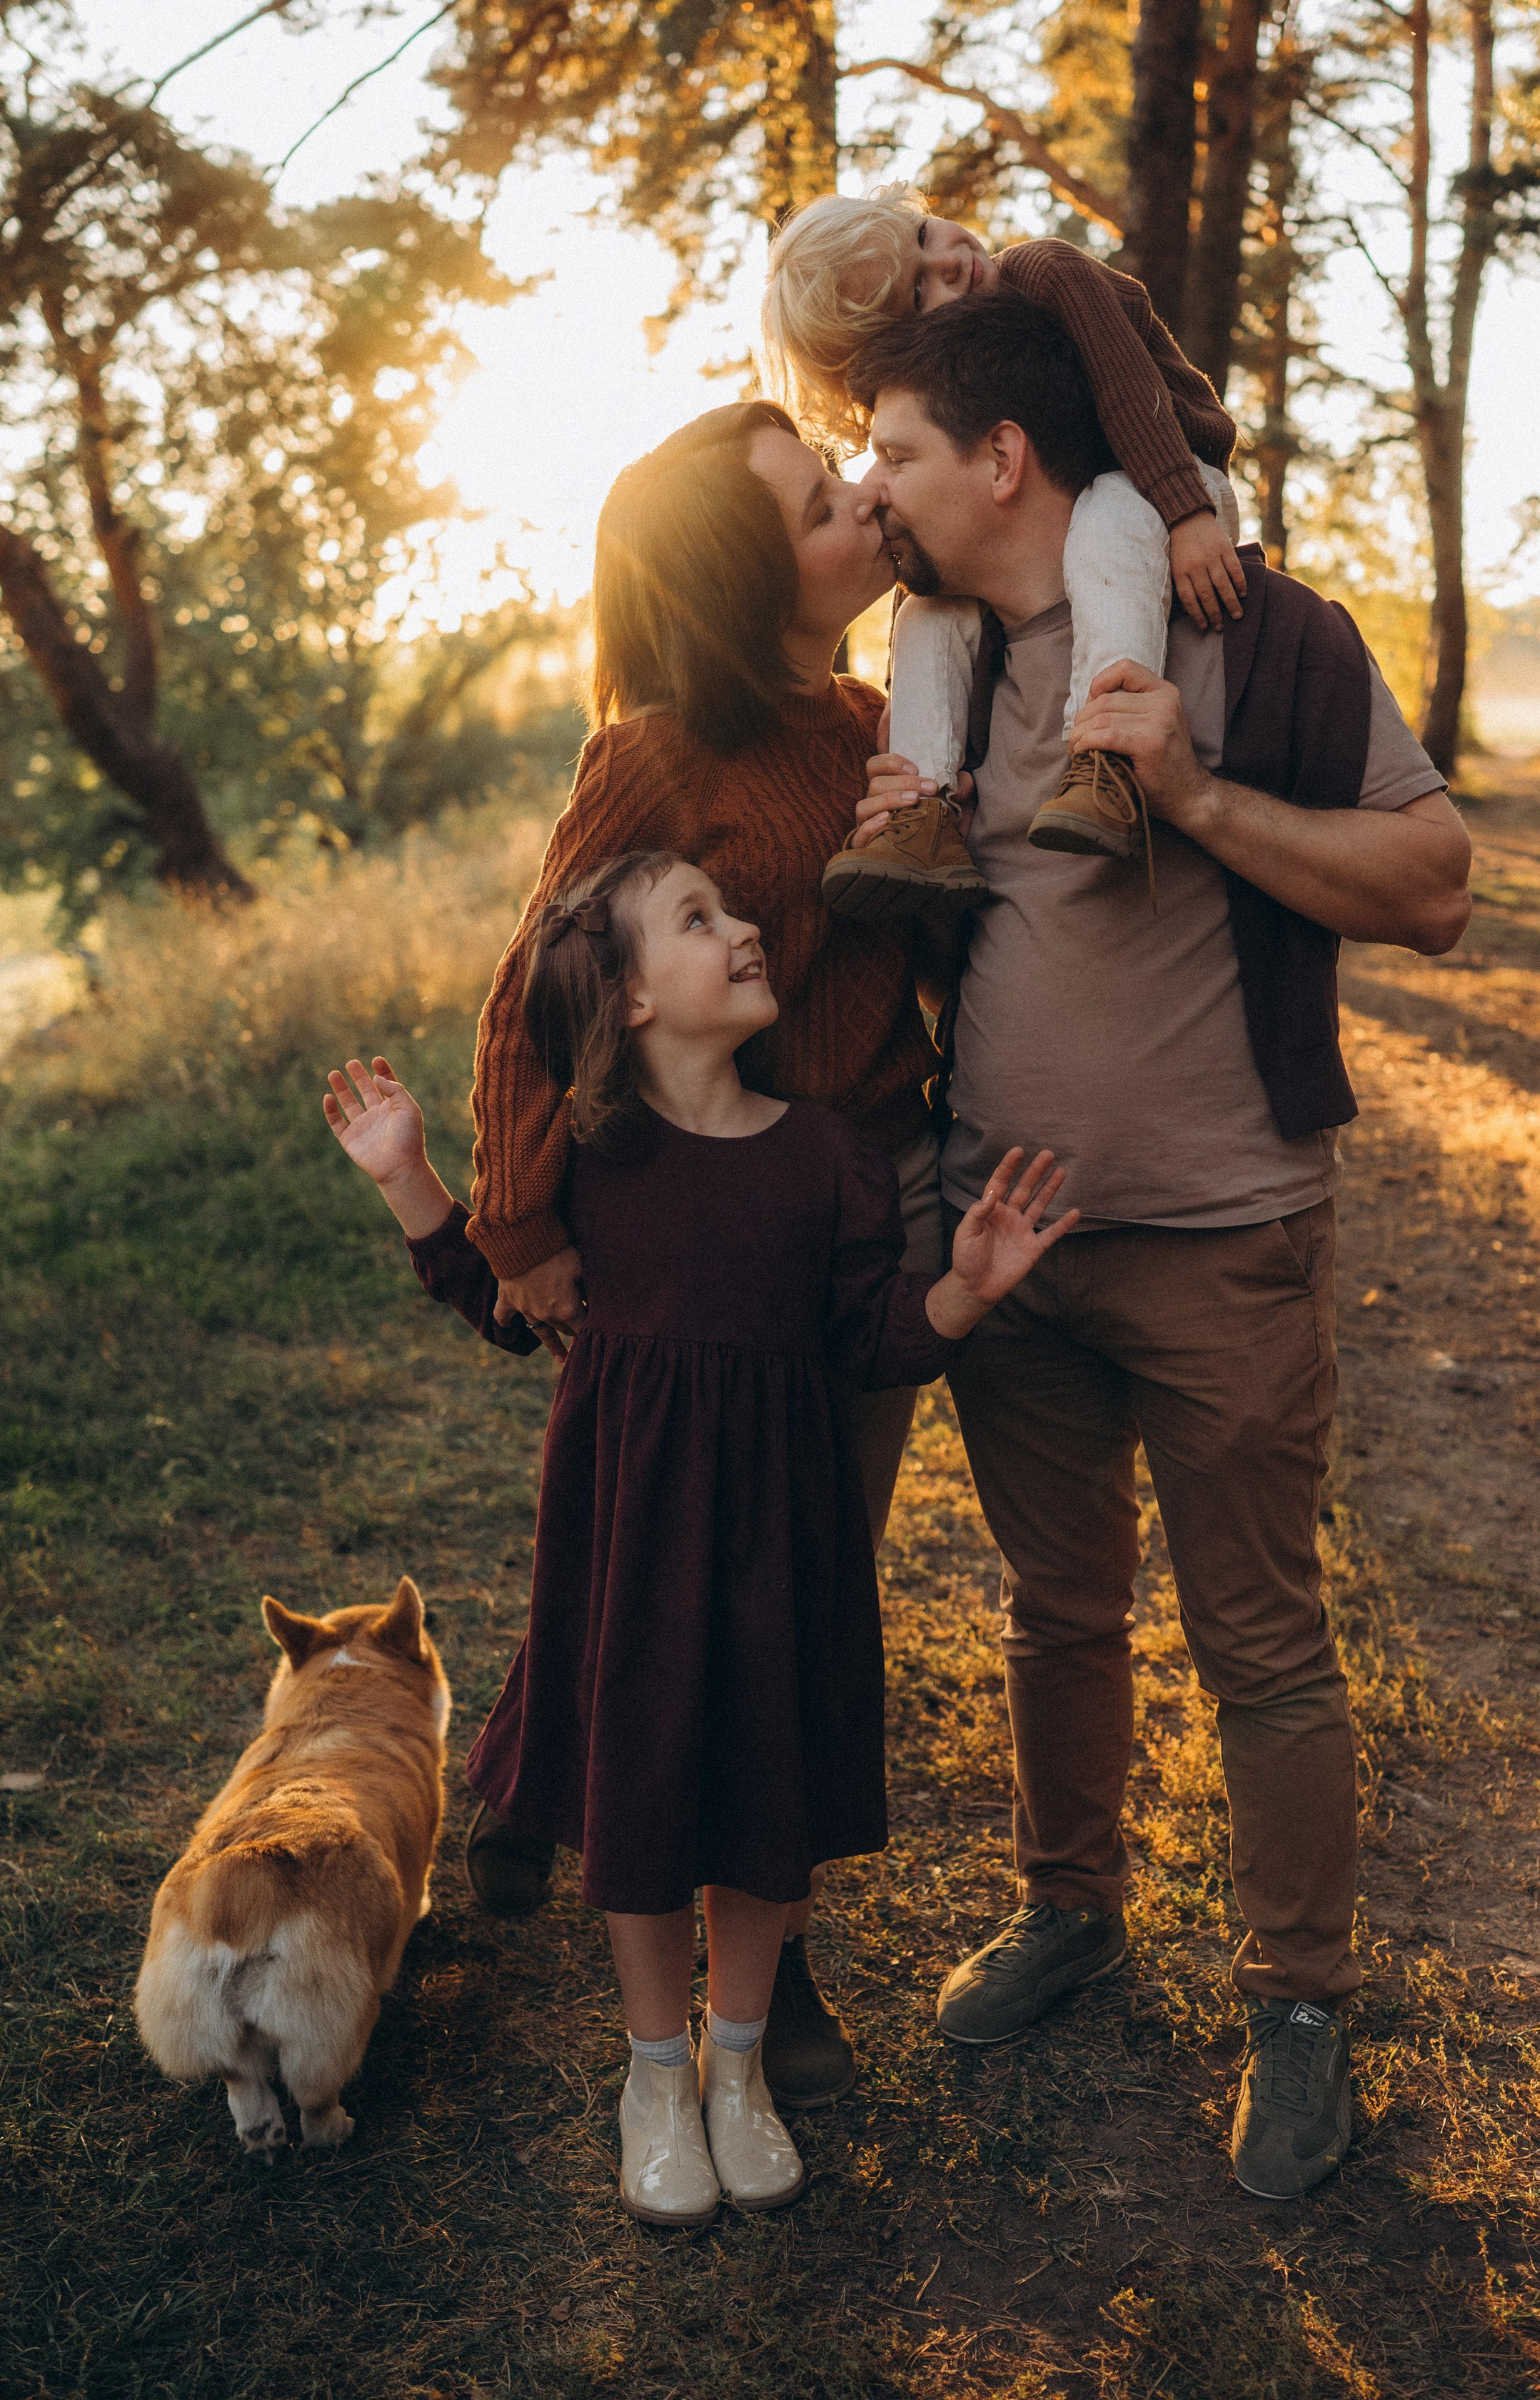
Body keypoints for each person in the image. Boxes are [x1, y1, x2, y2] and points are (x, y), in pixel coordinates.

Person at [838, 294, 1473, 2201]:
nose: (876, 487)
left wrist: (1190, 791)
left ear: (1000, 460)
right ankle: (1071, 1911)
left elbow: (1434, 888)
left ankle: (1296, 2001)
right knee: (1057, 1614)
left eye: (893, 452)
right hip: (1010, 1249)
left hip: (1226, 1240)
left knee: (1260, 1640)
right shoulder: (930, 669)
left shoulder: (1263, 635)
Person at [322, 852, 1077, 2227]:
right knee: (649, 1788)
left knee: (758, 1787)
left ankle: (741, 2071)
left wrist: (964, 1291)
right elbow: (509, 1312)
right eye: (699, 919)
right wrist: (414, 1187)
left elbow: (873, 1339)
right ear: (629, 997)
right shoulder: (591, 1173)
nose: (744, 930)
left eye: (734, 909)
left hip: (783, 1536)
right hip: (632, 1539)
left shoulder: (829, 1158)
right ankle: (656, 2076)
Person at [458, 398, 946, 2111]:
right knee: (672, 1542)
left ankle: (681, 1859)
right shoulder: (660, 754)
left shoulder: (887, 720)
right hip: (682, 1221)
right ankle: (654, 1868)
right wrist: (516, 1226)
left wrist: (921, 838)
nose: (863, 504)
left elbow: (914, 959)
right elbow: (540, 985)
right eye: (825, 501)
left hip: (843, 1194)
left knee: (796, 1561)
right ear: (750, 589)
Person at [760, 187, 1247, 893]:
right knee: (927, 613)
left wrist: (1184, 512)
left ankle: (1108, 757)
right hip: (1089, 507)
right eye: (918, 290)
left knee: (1107, 516)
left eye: (925, 233)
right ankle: (921, 813)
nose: (949, 261)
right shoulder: (960, 380)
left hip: (1173, 471)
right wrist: (920, 704)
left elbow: (1126, 388)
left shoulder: (1045, 275)